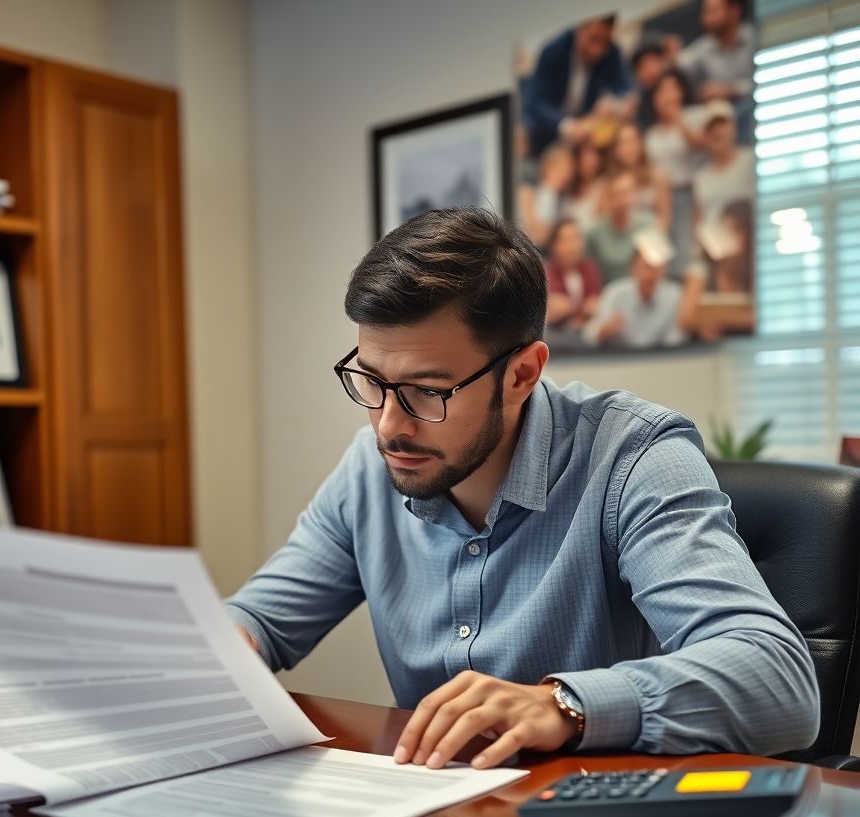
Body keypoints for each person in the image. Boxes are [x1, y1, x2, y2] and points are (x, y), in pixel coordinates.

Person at [226, 208, 819, 768]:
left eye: (427, 392)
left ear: (522, 374)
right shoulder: (371, 468)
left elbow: (780, 679)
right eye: (371, 382)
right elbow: (260, 621)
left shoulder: (634, 457)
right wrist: (227, 643)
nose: (389, 425)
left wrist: (565, 704)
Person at [523, 16, 631, 156]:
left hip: (588, 138)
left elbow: (627, 88)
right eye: (593, 39)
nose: (598, 50)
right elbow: (535, 103)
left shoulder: (611, 52)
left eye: (605, 43)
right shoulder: (553, 51)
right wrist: (566, 126)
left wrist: (615, 104)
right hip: (547, 136)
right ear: (580, 29)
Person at [583, 227, 706, 347]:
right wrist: (604, 332)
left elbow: (676, 340)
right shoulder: (615, 293)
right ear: (633, 267)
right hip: (622, 361)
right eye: (646, 266)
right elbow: (589, 335)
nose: (651, 274)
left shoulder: (675, 296)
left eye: (657, 267)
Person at [645, 68, 707, 275]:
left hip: (687, 191)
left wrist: (678, 118)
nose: (668, 95)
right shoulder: (651, 135)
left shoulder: (694, 116)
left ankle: (686, 277)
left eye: (673, 89)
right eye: (662, 91)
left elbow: (700, 144)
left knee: (686, 243)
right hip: (660, 196)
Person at [677, 0, 755, 140]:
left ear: (734, 11)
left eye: (713, 12)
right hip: (725, 114)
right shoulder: (704, 47)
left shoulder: (755, 37)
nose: (705, 19)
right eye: (705, 13)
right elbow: (679, 63)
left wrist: (731, 90)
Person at [585, 170, 660, 284]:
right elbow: (587, 272)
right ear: (607, 198)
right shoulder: (594, 233)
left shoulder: (648, 225)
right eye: (616, 194)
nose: (622, 201)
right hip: (606, 293)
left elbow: (658, 265)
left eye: (627, 193)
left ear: (636, 194)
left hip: (640, 290)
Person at [692, 98, 754, 230]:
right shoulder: (701, 176)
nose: (717, 132)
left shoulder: (750, 161)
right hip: (712, 246)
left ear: (734, 127)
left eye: (722, 124)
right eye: (711, 128)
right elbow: (698, 221)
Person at [607, 121, 672, 231]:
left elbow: (664, 220)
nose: (629, 148)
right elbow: (607, 219)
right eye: (623, 143)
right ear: (615, 149)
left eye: (633, 141)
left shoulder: (658, 176)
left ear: (641, 143)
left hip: (651, 238)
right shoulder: (610, 181)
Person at [544, 219, 602, 338]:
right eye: (566, 240)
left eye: (576, 238)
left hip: (587, 334)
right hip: (556, 336)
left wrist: (572, 307)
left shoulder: (590, 268)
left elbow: (595, 305)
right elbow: (554, 310)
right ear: (554, 245)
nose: (572, 246)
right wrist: (581, 308)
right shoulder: (547, 272)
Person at [518, 143, 575, 249]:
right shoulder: (525, 194)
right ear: (550, 167)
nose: (570, 175)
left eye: (571, 171)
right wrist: (550, 186)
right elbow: (538, 236)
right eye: (567, 169)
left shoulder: (564, 201)